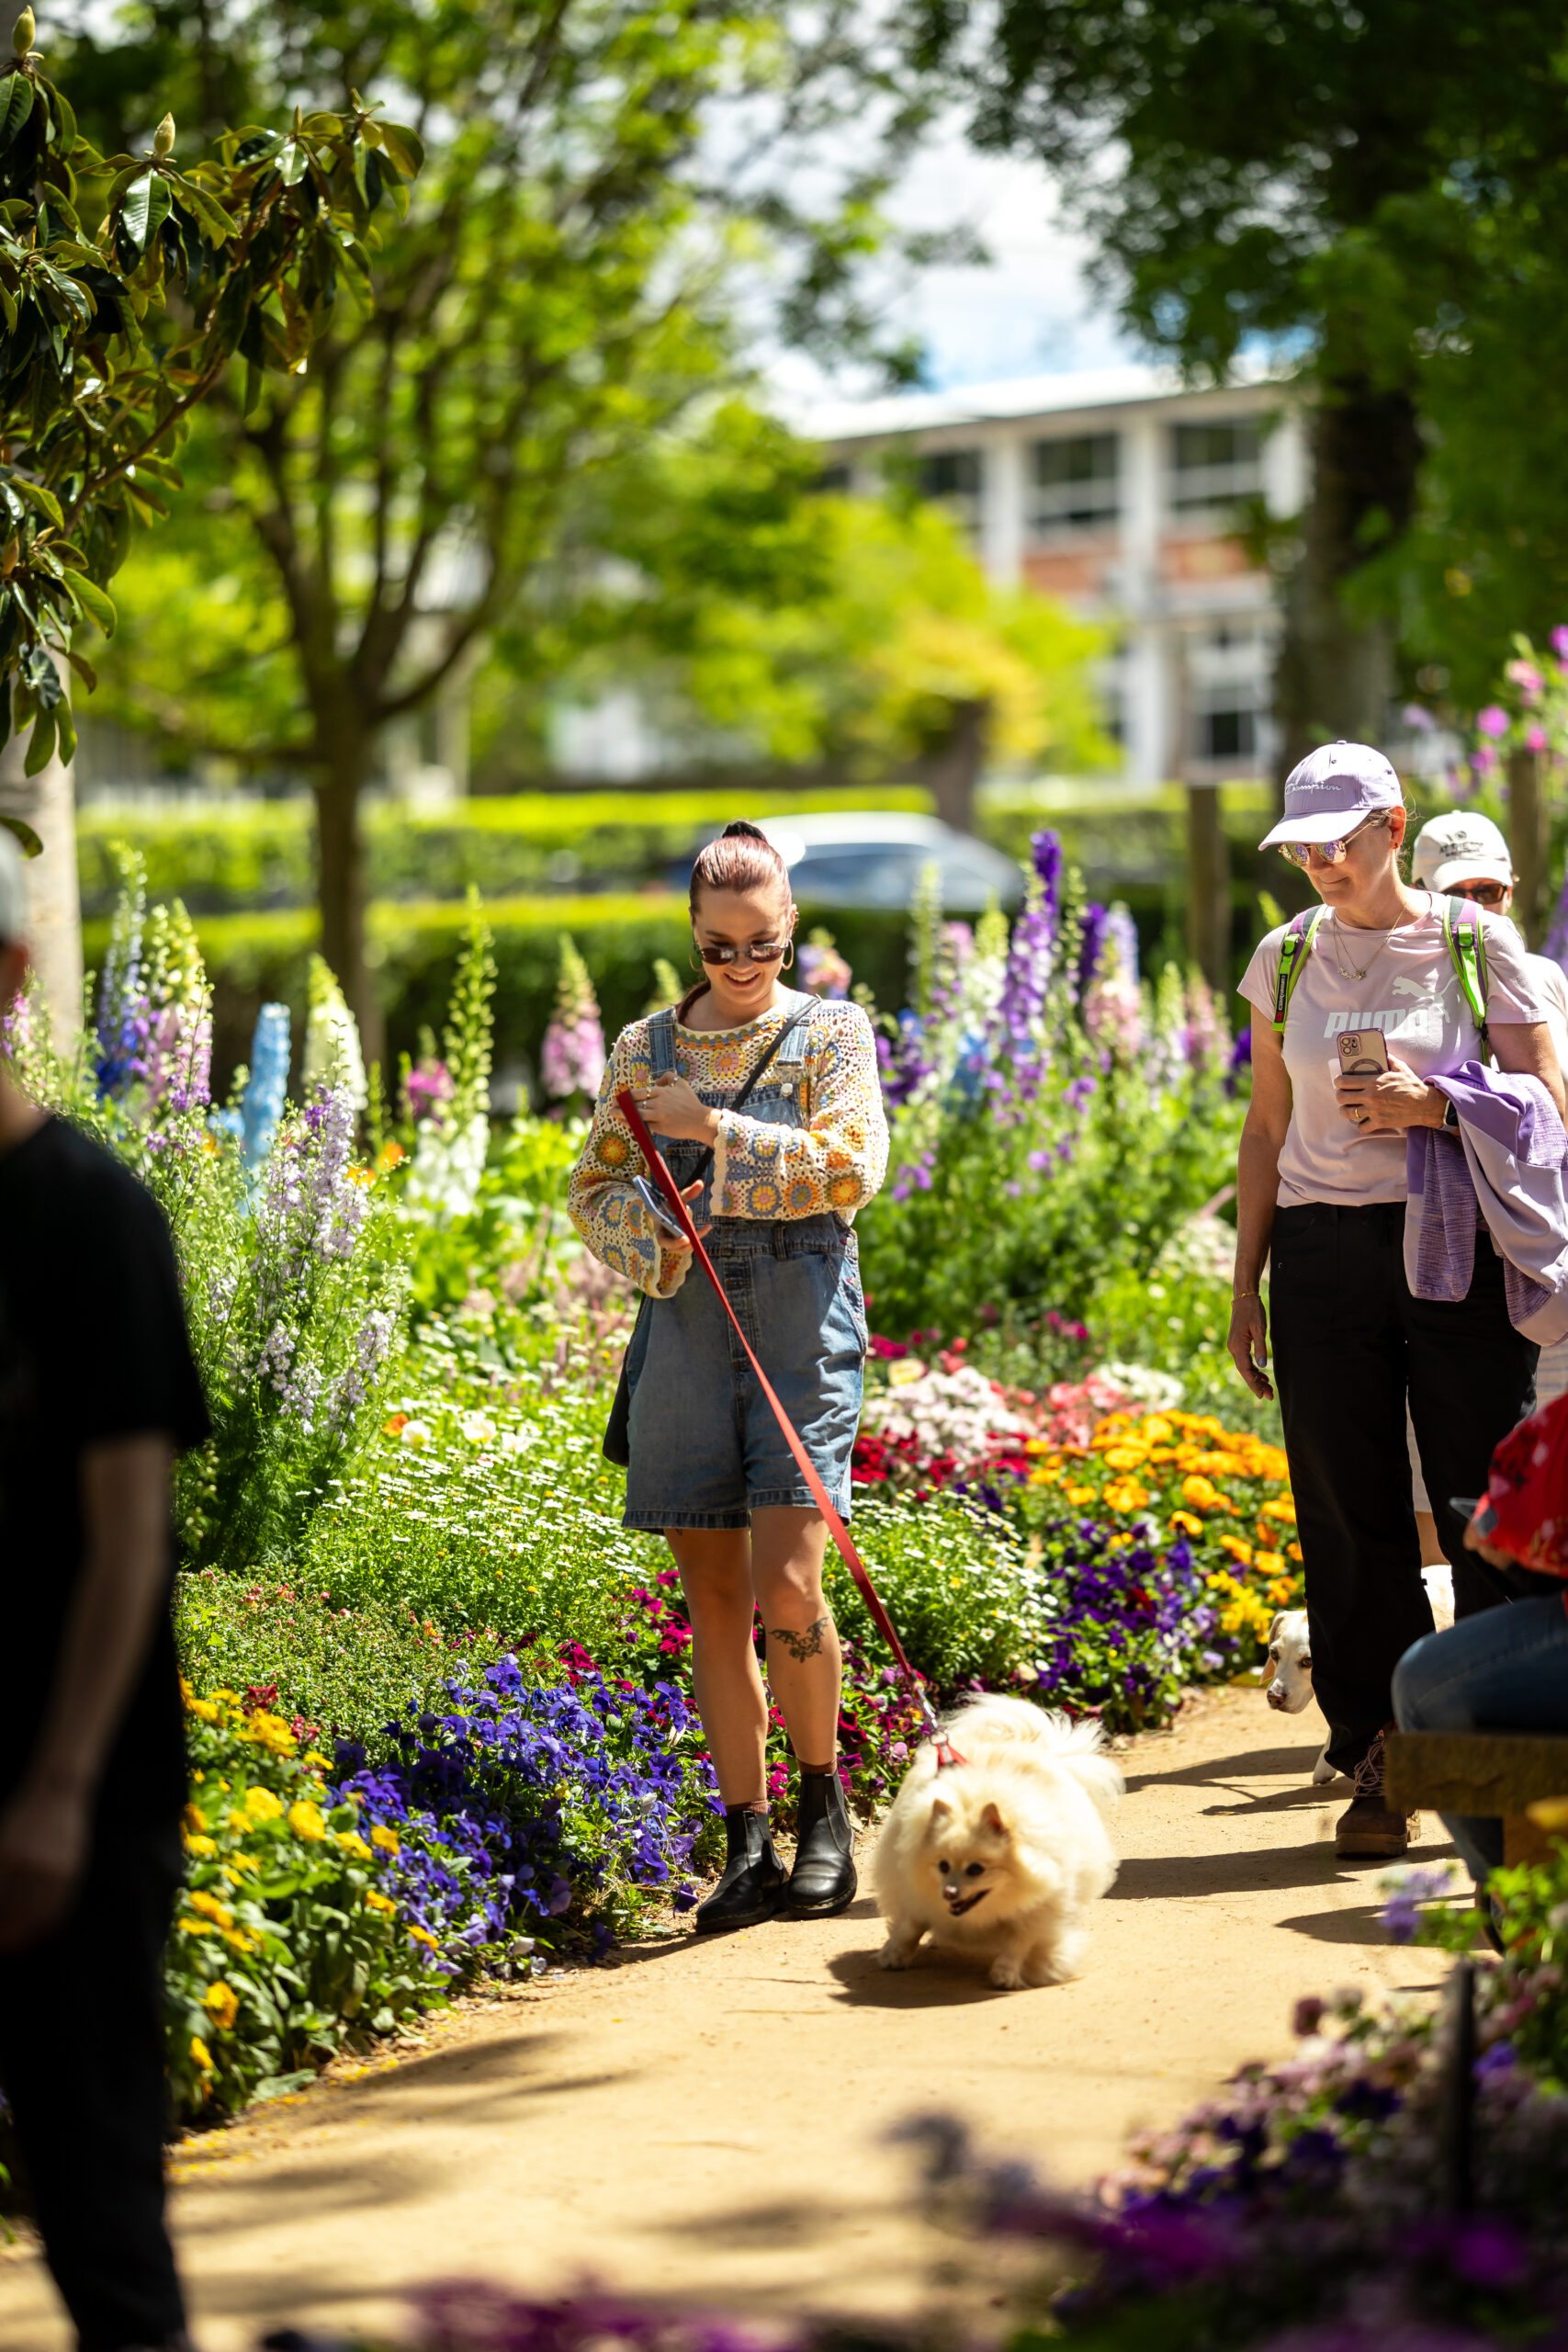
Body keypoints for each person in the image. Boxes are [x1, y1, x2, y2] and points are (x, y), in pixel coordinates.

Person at [1228, 742, 1564, 1862]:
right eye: (1303, 848)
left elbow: (1550, 1104)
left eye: (1341, 839)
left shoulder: (1475, 943)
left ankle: (1493, 1763)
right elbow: (1266, 1127)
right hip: (1320, 1251)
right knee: (1345, 1508)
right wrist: (1245, 1284)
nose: (1322, 862)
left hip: (1453, 1240)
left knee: (1479, 1500)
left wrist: (1440, 1105)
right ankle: (1380, 1749)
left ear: (1393, 825)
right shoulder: (1284, 956)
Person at [569, 820, 888, 1930]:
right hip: (686, 1329)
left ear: (791, 927)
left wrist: (714, 1130)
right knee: (711, 1596)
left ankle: (824, 1810)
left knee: (791, 1583)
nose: (743, 965)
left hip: (802, 1324)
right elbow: (592, 1187)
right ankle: (746, 1836)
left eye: (763, 943)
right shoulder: (643, 1048)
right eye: (719, 947)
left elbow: (852, 1169)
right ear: (693, 936)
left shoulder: (831, 1032)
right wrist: (661, 1241)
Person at [0, 831, 209, 2352]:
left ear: (10, 974)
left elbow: (132, 1537)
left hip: (78, 1793)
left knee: (96, 2212)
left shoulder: (90, 1218)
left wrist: (57, 1792)